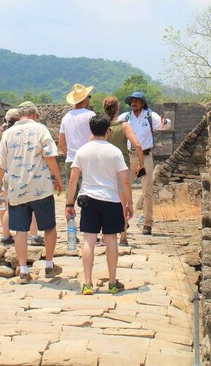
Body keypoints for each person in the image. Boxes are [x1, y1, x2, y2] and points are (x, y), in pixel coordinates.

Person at [0, 101, 64, 283]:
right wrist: (57, 178)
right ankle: (49, 264)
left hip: (17, 189)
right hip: (40, 188)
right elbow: (50, 156)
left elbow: (0, 165)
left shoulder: (8, 134)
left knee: (21, 231)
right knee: (49, 227)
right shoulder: (40, 130)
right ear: (34, 114)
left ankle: (23, 269)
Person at [66, 115, 133, 295]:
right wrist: (129, 203)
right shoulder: (115, 152)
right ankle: (112, 282)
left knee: (89, 240)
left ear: (91, 131)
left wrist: (69, 203)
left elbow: (73, 180)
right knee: (111, 240)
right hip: (110, 200)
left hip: (88, 199)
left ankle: (87, 283)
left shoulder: (82, 151)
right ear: (108, 131)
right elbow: (125, 181)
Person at [117, 91, 172, 235]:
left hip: (145, 157)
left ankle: (148, 223)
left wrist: (165, 123)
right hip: (129, 157)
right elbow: (114, 126)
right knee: (123, 189)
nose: (134, 103)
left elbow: (164, 125)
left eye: (137, 101)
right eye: (132, 101)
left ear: (143, 103)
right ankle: (123, 220)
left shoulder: (149, 116)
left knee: (147, 191)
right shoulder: (126, 117)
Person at [0, 108, 42, 246]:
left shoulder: (6, 134)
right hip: (24, 174)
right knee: (31, 205)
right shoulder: (23, 133)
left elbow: (0, 162)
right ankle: (34, 235)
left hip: (9, 174)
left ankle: (5, 235)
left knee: (8, 208)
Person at [103, 96, 145, 246]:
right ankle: (123, 236)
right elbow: (138, 145)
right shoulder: (125, 126)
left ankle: (105, 235)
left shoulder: (103, 126)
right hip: (122, 166)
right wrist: (141, 163)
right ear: (118, 108)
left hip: (106, 167)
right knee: (122, 202)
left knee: (106, 200)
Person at [58, 83, 95, 199]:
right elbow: (96, 135)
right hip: (87, 160)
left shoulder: (66, 118)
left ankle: (70, 215)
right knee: (89, 194)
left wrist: (70, 154)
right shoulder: (90, 115)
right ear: (85, 99)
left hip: (71, 160)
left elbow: (61, 143)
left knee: (71, 194)